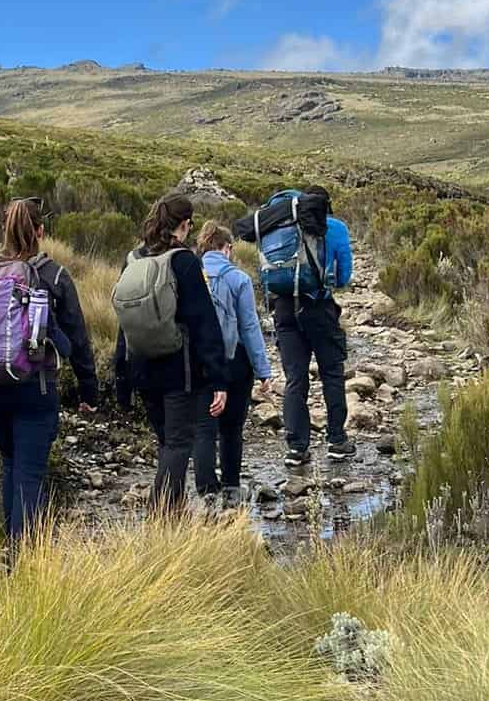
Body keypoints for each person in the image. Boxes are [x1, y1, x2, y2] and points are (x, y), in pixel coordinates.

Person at [0, 198, 99, 540]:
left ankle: (12, 552)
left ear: (3, 229)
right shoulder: (52, 274)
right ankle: (22, 564)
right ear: (40, 231)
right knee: (29, 473)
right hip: (34, 387)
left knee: (9, 463)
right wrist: (88, 391)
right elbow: (78, 339)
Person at [113, 193, 228, 513]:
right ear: (184, 224)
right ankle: (160, 518)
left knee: (167, 442)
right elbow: (205, 323)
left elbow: (123, 324)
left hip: (141, 367)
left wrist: (120, 374)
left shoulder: (132, 259)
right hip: (181, 371)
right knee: (179, 445)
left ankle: (171, 518)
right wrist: (219, 378)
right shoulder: (185, 261)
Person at [235, 186, 353, 470]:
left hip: (284, 309)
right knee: (332, 374)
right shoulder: (333, 227)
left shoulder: (276, 225)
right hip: (319, 307)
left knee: (295, 379)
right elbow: (344, 276)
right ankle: (337, 441)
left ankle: (296, 449)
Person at [192, 221, 273, 510]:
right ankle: (230, 487)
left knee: (203, 427)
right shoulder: (238, 279)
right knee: (231, 428)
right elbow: (250, 328)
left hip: (200, 360)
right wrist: (263, 371)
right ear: (226, 248)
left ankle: (205, 490)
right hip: (235, 361)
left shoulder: (191, 274)